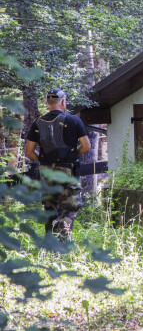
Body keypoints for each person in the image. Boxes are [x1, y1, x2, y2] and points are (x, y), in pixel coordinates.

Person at [25, 88, 91, 241]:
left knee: (50, 207)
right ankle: (62, 242)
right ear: (63, 102)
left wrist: (43, 161)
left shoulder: (37, 123)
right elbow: (86, 146)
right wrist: (73, 156)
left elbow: (29, 152)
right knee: (69, 207)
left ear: (47, 103)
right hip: (66, 169)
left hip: (46, 171)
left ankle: (50, 245)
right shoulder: (74, 120)